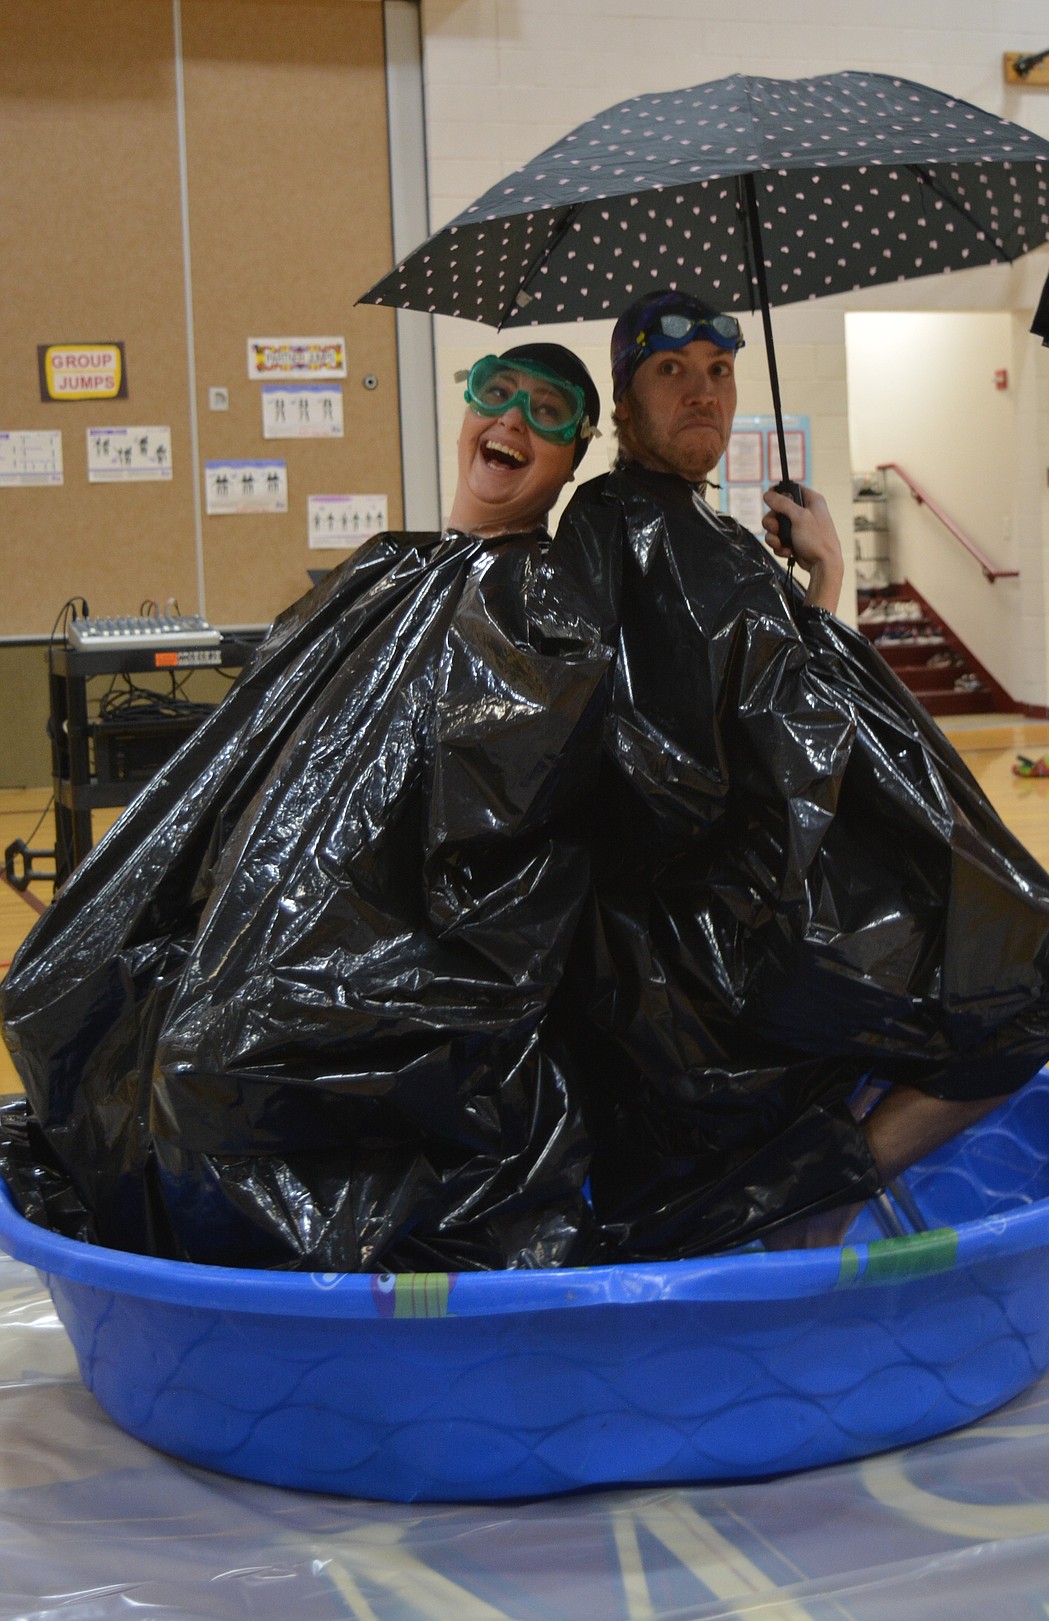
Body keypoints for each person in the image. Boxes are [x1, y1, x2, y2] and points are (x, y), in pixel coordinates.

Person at [1, 344, 610, 1272]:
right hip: (267, 900)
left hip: (379, 941)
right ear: (465, 410)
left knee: (207, 1068)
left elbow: (486, 833)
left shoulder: (543, 606)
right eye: (496, 394)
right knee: (67, 982)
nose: (512, 422)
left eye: (548, 411)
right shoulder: (387, 571)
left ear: (576, 453)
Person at [544, 288, 1049, 1257]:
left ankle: (809, 1184)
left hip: (741, 906)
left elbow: (774, 702)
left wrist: (811, 583)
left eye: (720, 372)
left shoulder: (696, 531)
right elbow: (714, 748)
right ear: (623, 405)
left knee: (1008, 949)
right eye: (670, 373)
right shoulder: (619, 523)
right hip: (724, 932)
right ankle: (819, 1195)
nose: (703, 394)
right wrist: (822, 589)